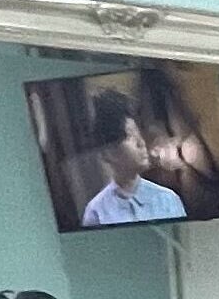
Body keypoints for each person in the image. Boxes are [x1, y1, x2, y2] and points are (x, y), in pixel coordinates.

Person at [77, 89, 187, 226]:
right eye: (129, 136)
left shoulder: (167, 199)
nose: (141, 143)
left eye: (138, 133)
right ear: (108, 153)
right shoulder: (96, 212)